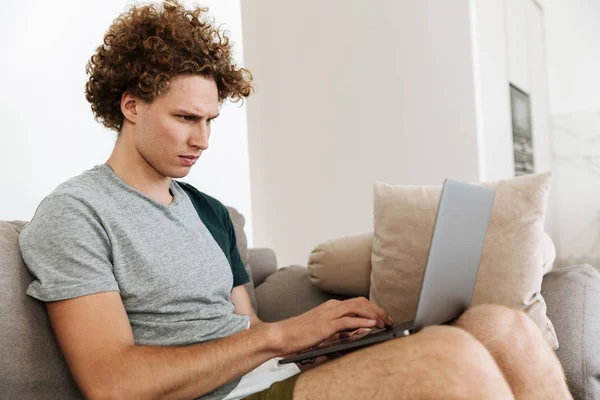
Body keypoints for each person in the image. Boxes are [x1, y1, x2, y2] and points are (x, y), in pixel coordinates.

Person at [18, 1, 572, 399]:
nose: (203, 140)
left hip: (273, 376)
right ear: (132, 105)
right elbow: (113, 384)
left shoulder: (207, 212)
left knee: (502, 328)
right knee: (448, 359)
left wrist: (316, 340)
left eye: (210, 120)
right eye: (185, 118)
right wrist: (286, 335)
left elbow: (247, 335)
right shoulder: (76, 215)